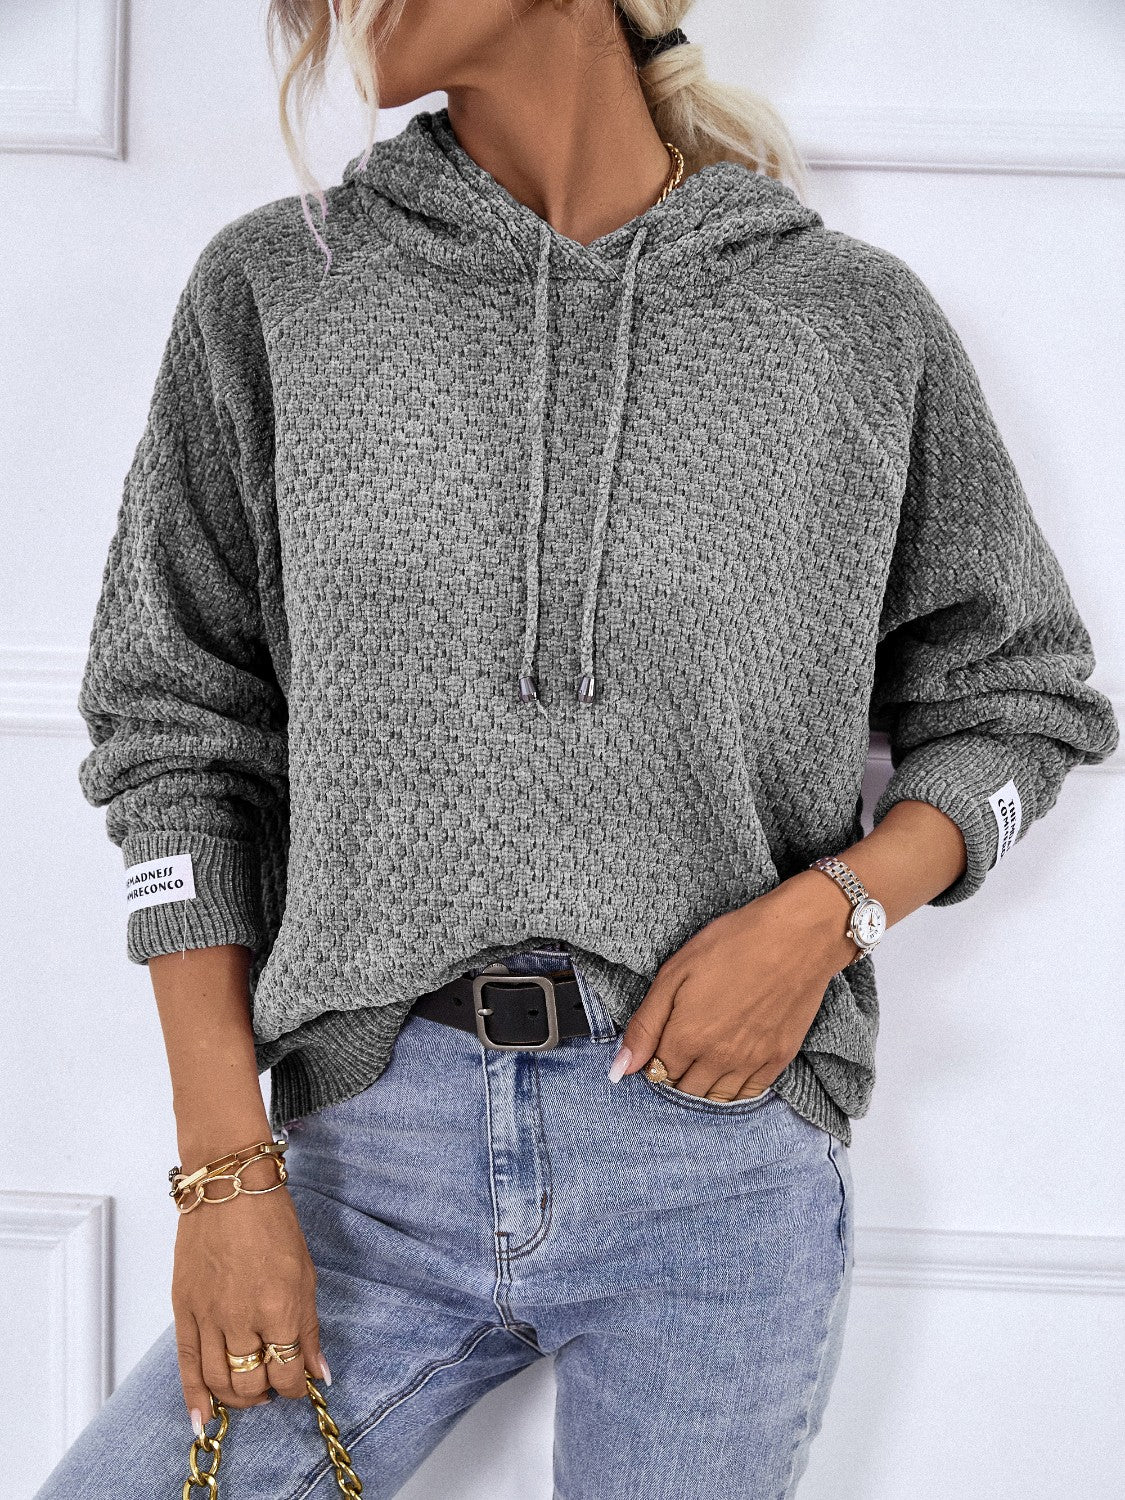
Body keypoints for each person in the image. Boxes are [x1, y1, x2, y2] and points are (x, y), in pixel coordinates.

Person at [37, 2, 1120, 1497]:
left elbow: (1023, 700)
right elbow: (173, 732)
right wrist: (222, 1174)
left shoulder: (850, 324)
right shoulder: (281, 290)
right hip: (360, 1161)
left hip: (713, 1169)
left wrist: (832, 915)